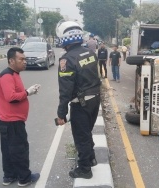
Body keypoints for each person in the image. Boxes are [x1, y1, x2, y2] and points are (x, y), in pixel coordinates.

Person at [55, 20, 101, 179]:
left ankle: (84, 169)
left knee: (81, 136)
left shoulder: (66, 60)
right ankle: (91, 157)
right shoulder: (90, 53)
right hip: (95, 99)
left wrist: (61, 113)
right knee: (87, 131)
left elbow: (65, 91)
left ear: (64, 38)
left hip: (81, 104)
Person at [0, 47, 40, 186]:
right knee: (19, 150)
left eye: (25, 59)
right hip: (12, 122)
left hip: (7, 121)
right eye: (21, 59)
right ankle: (24, 178)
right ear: (11, 60)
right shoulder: (7, 76)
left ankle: (9, 176)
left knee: (9, 150)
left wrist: (28, 92)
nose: (25, 62)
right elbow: (11, 98)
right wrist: (28, 92)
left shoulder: (14, 74)